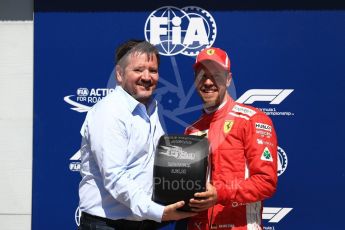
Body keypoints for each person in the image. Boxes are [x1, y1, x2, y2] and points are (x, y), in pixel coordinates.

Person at [78, 40, 195, 230]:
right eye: (138, 70)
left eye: (153, 70)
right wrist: (158, 212)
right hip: (107, 225)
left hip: (143, 222)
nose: (147, 77)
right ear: (119, 74)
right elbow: (115, 176)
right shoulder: (109, 112)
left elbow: (157, 163)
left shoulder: (150, 108)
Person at [185, 47, 278, 229]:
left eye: (216, 75)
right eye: (202, 75)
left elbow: (266, 182)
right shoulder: (192, 130)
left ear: (228, 79)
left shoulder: (252, 119)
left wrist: (220, 194)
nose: (209, 81)